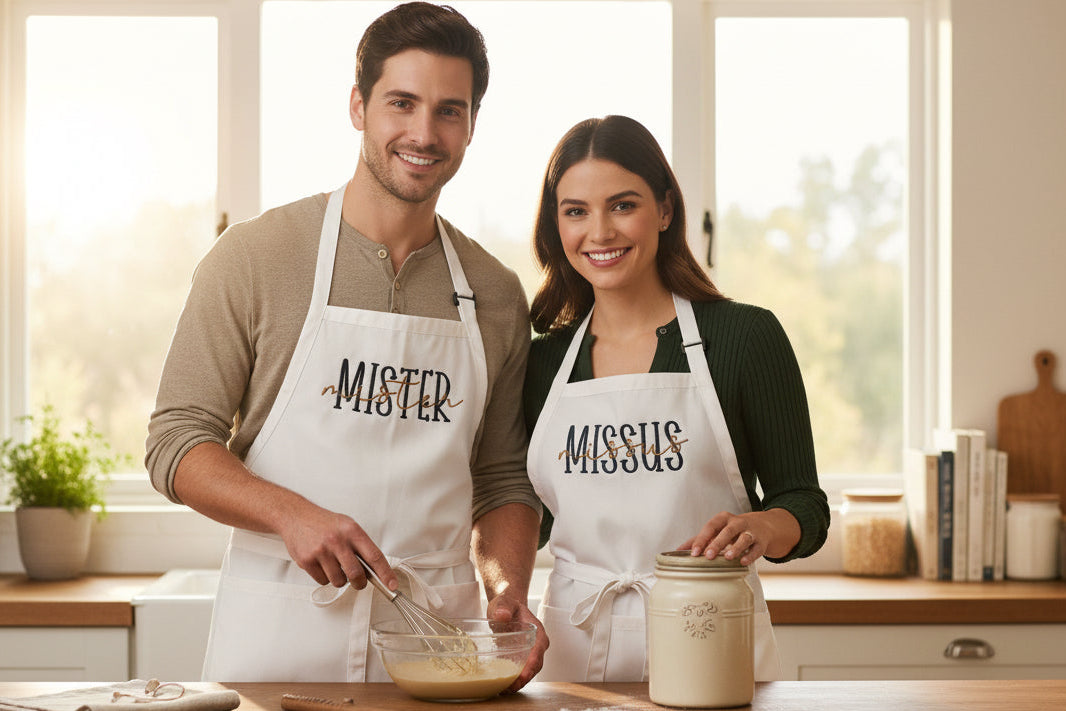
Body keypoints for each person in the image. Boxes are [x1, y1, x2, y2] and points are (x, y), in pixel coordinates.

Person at [145, 2, 545, 687]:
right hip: (278, 643)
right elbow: (176, 442)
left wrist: (507, 589)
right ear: (358, 106)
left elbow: (503, 476)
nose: (424, 132)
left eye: (450, 109)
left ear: (473, 123)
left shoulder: (496, 291)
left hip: (434, 650)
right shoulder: (256, 257)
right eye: (402, 102)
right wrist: (290, 514)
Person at [523, 115, 830, 682]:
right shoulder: (542, 362)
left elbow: (805, 504)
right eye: (576, 211)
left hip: (710, 635)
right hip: (573, 645)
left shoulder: (744, 338)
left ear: (664, 209)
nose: (600, 233)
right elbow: (521, 516)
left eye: (622, 205)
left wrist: (763, 526)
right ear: (556, 226)